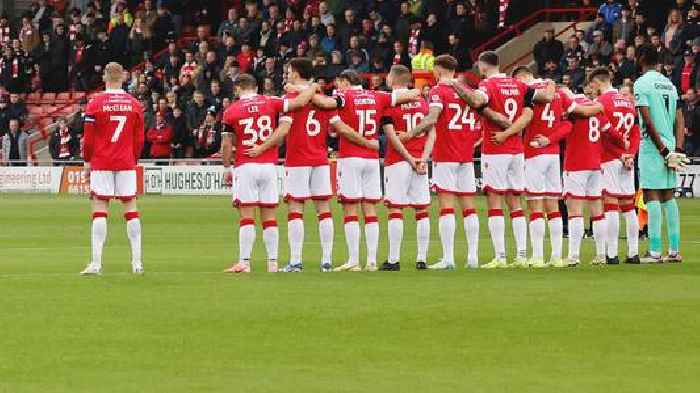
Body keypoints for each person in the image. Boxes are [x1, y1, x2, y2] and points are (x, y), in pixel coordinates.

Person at [311, 69, 419, 272]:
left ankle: (353, 260)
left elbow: (325, 104)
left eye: (338, 83)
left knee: (350, 209)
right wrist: (416, 92)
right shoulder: (377, 95)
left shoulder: (343, 96)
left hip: (351, 156)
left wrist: (309, 90)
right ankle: (370, 260)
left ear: (345, 81)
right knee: (370, 209)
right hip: (371, 160)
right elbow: (410, 94)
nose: (337, 87)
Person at [246, 58, 335, 273]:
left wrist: (263, 147)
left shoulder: (290, 98)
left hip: (298, 159)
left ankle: (296, 261)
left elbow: (284, 130)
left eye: (288, 71)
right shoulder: (322, 98)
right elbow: (334, 129)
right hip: (321, 158)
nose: (286, 74)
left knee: (296, 209)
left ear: (295, 73)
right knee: (324, 210)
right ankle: (327, 260)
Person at [221, 73, 315, 274]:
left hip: (246, 164)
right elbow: (299, 102)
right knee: (269, 216)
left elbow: (227, 143)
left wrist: (227, 167)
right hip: (269, 166)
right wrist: (312, 87)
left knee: (247, 216)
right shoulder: (270, 101)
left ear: (238, 87)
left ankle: (244, 262)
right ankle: (272, 262)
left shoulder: (231, 110)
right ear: (256, 87)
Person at [406, 55, 489, 270]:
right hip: (466, 155)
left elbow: (432, 118)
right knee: (469, 208)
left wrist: (409, 134)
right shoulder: (469, 91)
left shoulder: (438, 91)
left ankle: (449, 259)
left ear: (438, 69)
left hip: (446, 154)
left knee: (446, 208)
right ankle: (472, 258)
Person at [473, 51, 554, 269]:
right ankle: (521, 254)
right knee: (516, 202)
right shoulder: (519, 86)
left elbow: (478, 101)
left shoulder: (486, 85)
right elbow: (545, 99)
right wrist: (550, 82)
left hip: (496, 147)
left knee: (494, 201)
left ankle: (500, 256)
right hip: (517, 150)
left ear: (483, 66)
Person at [533, 88, 620, 267]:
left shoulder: (573, 109)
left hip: (576, 164)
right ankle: (601, 254)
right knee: (597, 211)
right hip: (596, 164)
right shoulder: (595, 108)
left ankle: (573, 256)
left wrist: (548, 140)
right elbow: (609, 131)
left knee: (575, 212)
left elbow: (566, 129)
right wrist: (624, 145)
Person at [80, 62, 145, 276]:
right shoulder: (134, 104)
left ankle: (97, 263)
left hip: (102, 161)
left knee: (100, 210)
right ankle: (137, 263)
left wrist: (87, 161)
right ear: (123, 78)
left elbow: (88, 139)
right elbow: (139, 139)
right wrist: (132, 158)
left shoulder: (95, 103)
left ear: (105, 78)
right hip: (126, 161)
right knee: (131, 209)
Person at [634, 44, 688, 263]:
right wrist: (678, 148)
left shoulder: (641, 84)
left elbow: (647, 119)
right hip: (671, 143)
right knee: (669, 195)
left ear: (641, 60)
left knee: (651, 195)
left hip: (653, 146)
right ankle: (674, 251)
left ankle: (655, 251)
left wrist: (663, 150)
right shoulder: (670, 84)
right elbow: (680, 118)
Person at [512, 66, 570, 268]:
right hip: (553, 154)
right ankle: (556, 257)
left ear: (521, 78)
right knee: (553, 207)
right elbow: (567, 125)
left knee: (535, 207)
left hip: (533, 152)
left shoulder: (527, 92)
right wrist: (550, 139)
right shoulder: (557, 93)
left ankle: (537, 256)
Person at [379, 65, 433, 271]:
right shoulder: (422, 103)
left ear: (393, 79)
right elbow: (432, 132)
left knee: (395, 209)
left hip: (399, 160)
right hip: (420, 159)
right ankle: (422, 259)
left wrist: (410, 159)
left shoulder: (389, 102)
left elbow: (391, 136)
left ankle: (393, 260)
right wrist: (423, 159)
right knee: (422, 210)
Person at [589, 68, 641, 264]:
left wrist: (621, 147)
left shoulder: (601, 102)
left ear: (600, 82)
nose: (592, 89)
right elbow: (636, 132)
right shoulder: (628, 102)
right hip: (626, 160)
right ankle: (633, 253)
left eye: (593, 85)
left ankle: (611, 254)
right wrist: (630, 154)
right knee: (628, 207)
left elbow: (606, 129)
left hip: (609, 158)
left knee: (610, 206)